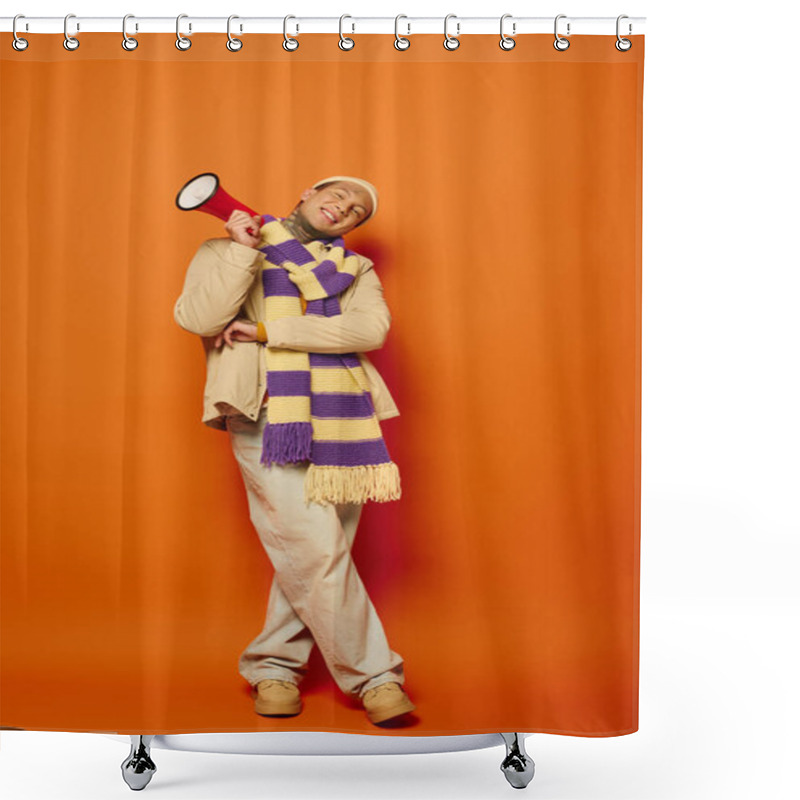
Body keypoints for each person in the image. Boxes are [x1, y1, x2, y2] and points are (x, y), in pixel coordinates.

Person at [174, 176, 415, 726]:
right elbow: (200, 320)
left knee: (312, 553)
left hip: (344, 419)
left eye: (357, 211)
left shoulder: (355, 270)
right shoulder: (226, 247)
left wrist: (266, 330)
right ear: (308, 192)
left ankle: (274, 666)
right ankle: (375, 676)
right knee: (316, 549)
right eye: (337, 195)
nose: (343, 208)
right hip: (265, 413)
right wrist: (241, 252)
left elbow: (368, 329)